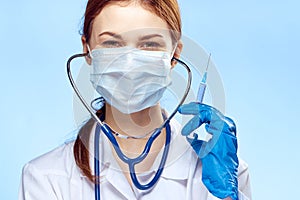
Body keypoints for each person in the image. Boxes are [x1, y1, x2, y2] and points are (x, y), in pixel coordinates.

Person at [19, 0, 251, 199]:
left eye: (149, 44)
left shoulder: (222, 177)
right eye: (111, 43)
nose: (129, 64)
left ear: (174, 55)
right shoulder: (47, 178)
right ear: (87, 50)